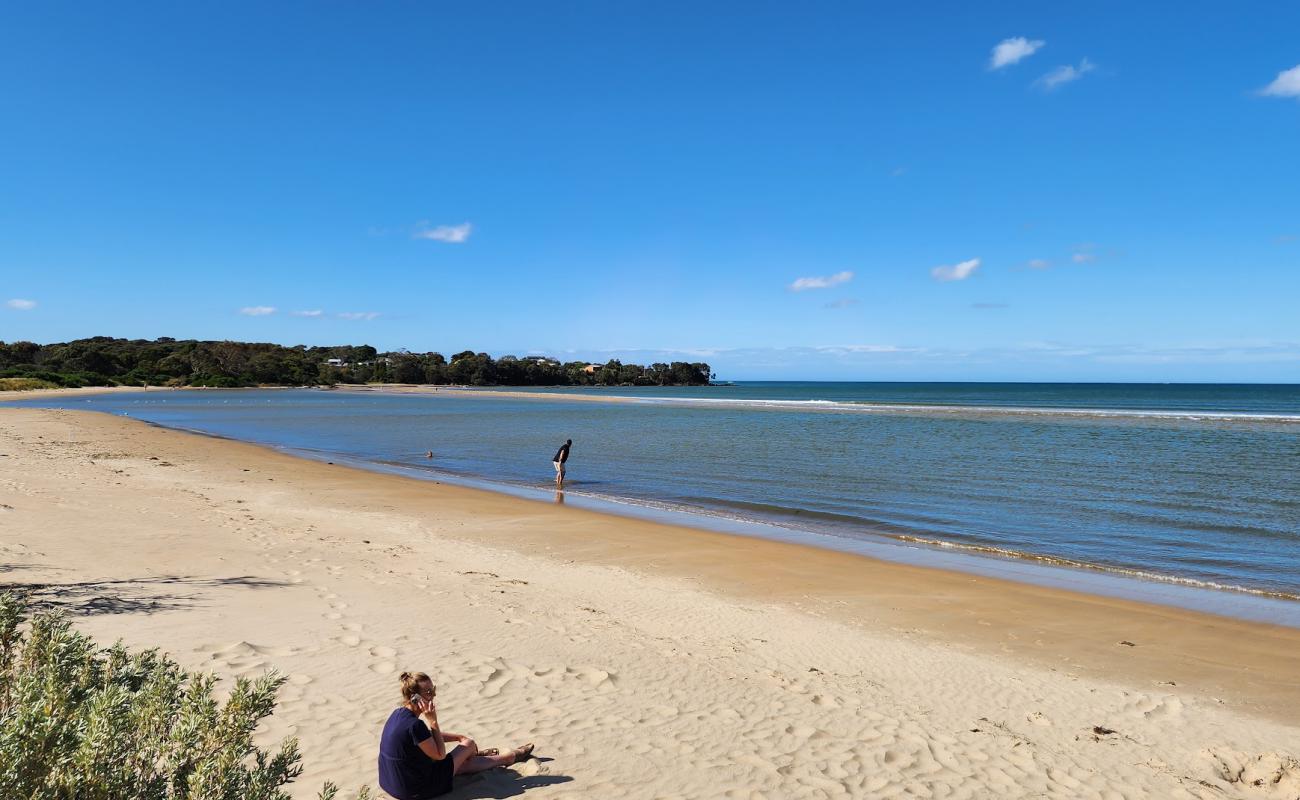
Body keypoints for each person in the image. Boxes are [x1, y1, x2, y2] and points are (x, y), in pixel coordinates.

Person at [378, 671, 534, 800]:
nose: (433, 695)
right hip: (417, 790)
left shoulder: (398, 714)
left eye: (434, 690)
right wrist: (433, 721)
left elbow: (423, 738)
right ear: (415, 698)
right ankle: (509, 757)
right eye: (428, 692)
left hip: (392, 784)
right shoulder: (415, 725)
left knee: (459, 759)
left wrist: (457, 737)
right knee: (469, 744)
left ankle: (489, 758)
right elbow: (440, 755)